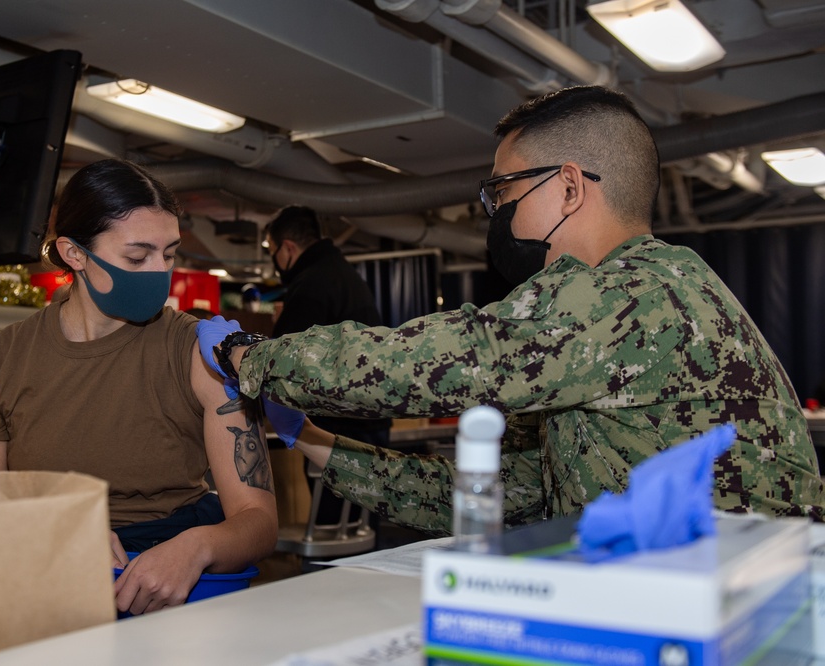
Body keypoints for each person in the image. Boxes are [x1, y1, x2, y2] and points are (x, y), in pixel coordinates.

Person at [199, 85, 825, 534]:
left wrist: (249, 356)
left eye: (503, 190)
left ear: (570, 187)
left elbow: (435, 361)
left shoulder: (629, 294)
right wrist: (315, 442)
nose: (495, 213)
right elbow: (506, 495)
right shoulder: (629, 312)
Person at [0, 159, 277, 615]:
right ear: (75, 253)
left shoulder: (199, 351)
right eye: (137, 257)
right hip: (44, 565)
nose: (159, 272)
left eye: (169, 254)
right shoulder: (0, 357)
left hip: (171, 560)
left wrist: (198, 547)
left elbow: (257, 520)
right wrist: (53, 524)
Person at [264, 205, 390, 529]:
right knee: (364, 527)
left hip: (336, 432)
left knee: (333, 532)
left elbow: (280, 360)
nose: (274, 261)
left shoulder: (310, 285)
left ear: (287, 248)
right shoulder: (344, 275)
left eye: (272, 251)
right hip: (369, 422)